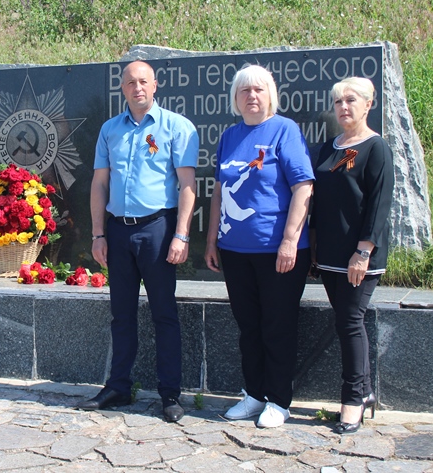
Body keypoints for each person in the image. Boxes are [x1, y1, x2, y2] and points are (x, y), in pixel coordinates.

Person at [78, 60, 199, 423]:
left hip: (158, 229)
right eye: (130, 82)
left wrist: (181, 234)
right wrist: (98, 234)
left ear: (156, 85)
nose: (137, 88)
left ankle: (170, 395)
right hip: (118, 230)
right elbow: (100, 184)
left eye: (143, 81)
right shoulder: (110, 130)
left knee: (164, 313)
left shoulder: (177, 127)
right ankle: (118, 386)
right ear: (123, 88)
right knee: (121, 314)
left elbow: (188, 185)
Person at [204, 64, 314, 428]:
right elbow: (219, 190)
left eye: (259, 90)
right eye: (244, 91)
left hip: (277, 251)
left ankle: (279, 400)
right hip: (235, 251)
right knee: (248, 325)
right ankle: (254, 394)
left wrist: (289, 241)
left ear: (271, 95)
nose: (252, 96)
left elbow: (303, 187)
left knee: (276, 325)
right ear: (235, 99)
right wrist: (211, 240)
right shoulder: (230, 136)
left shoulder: (285, 130)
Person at [311, 77, 393, 434]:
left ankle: (352, 399)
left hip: (358, 257)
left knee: (349, 323)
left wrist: (363, 251)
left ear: (368, 103)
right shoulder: (328, 146)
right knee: (346, 321)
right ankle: (365, 391)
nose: (344, 107)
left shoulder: (377, 148)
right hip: (329, 255)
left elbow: (379, 204)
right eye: (338, 102)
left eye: (351, 100)